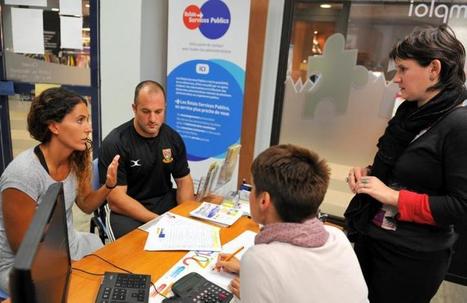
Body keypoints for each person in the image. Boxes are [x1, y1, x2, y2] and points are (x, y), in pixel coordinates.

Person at [344, 24, 467, 303]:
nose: (396, 78)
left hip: (410, 259)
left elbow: (461, 207)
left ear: (433, 69)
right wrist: (369, 175)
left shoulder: (460, 124)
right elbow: (408, 168)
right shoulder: (410, 112)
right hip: (373, 238)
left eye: (403, 69)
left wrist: (391, 196)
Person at [0, 87, 120, 294]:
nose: (89, 128)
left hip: (66, 246)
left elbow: (86, 205)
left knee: (112, 271)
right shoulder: (22, 174)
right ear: (54, 126)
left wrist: (108, 185)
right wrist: (70, 266)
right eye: (80, 120)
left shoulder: (75, 158)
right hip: (24, 265)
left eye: (88, 120)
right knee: (84, 289)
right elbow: (22, 249)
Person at [214, 144, 368, 303]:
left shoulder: (259, 259)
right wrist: (247, 273)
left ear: (264, 200)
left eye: (253, 188)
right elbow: (311, 281)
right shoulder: (337, 236)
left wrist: (248, 292)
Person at [99, 80, 194, 239]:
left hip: (164, 202)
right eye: (145, 111)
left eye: (158, 111)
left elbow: (184, 181)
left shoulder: (173, 138)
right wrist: (158, 221)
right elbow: (116, 199)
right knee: (140, 254)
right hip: (127, 210)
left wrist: (185, 214)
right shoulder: (115, 142)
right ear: (134, 109)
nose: (152, 119)